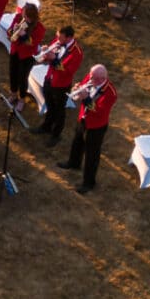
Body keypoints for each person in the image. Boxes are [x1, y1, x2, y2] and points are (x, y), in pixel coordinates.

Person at [60, 64, 118, 194]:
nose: (89, 79)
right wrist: (77, 89)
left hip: (97, 126)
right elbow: (83, 87)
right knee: (77, 141)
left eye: (93, 78)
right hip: (83, 118)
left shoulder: (110, 93)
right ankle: (73, 162)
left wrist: (85, 98)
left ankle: (89, 183)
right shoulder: (92, 77)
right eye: (90, 76)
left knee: (92, 154)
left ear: (101, 79)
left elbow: (98, 111)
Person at [36, 25, 83, 143]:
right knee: (49, 104)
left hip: (61, 85)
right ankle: (46, 126)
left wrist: (54, 59)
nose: (58, 39)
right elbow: (50, 56)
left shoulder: (77, 52)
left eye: (60, 38)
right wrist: (46, 53)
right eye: (58, 36)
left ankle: (56, 134)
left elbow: (68, 71)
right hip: (49, 78)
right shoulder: (59, 40)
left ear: (69, 38)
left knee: (59, 110)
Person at [6, 2, 44, 103]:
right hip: (15, 51)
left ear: (31, 17)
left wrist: (24, 35)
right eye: (23, 14)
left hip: (27, 56)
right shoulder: (19, 17)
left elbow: (33, 43)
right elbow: (9, 31)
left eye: (25, 16)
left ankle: (22, 99)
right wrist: (12, 30)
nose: (23, 17)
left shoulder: (39, 28)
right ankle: (13, 94)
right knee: (13, 73)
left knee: (23, 78)